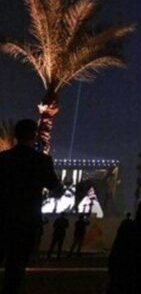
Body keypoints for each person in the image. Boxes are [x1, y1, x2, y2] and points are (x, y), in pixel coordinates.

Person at [0, 119, 60, 294]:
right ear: (34, 136)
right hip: (26, 221)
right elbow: (56, 189)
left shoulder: (3, 159)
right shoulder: (41, 160)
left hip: (2, 217)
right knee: (16, 268)